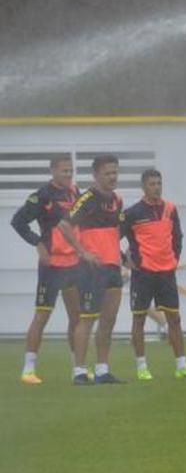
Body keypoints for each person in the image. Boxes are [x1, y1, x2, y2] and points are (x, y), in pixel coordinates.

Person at [121, 169, 186, 381]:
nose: (156, 187)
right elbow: (112, 237)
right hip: (143, 274)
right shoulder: (132, 213)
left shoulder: (170, 209)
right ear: (143, 187)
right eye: (152, 184)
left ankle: (182, 365)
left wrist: (174, 259)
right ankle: (142, 367)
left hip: (166, 273)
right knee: (139, 318)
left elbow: (177, 236)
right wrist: (125, 261)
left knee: (174, 319)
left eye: (159, 183)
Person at [11, 155, 81, 384]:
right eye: (64, 171)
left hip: (74, 266)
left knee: (77, 317)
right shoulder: (42, 195)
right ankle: (28, 370)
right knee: (42, 316)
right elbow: (18, 221)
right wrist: (38, 244)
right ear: (52, 171)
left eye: (70, 171)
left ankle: (77, 369)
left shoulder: (75, 193)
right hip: (51, 266)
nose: (68, 175)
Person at [59, 155, 126, 385]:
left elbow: (115, 232)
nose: (112, 177)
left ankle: (102, 370)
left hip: (113, 267)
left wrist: (123, 257)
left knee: (109, 319)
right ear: (96, 175)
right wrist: (82, 252)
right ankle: (79, 371)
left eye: (115, 172)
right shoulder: (86, 198)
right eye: (108, 173)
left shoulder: (117, 200)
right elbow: (64, 225)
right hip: (92, 268)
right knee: (86, 319)